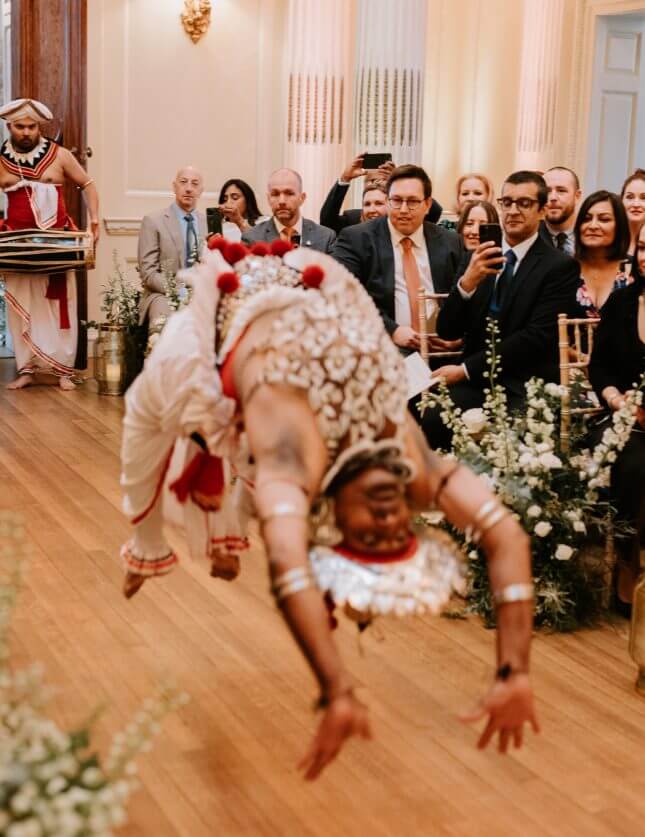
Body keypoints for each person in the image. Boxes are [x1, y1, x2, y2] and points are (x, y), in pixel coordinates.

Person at [120, 237, 538, 780]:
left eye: (373, 538)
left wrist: (335, 688)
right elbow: (506, 534)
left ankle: (149, 543)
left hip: (219, 337)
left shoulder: (291, 469)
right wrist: (515, 670)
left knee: (152, 418)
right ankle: (162, 539)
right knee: (186, 437)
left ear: (339, 526)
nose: (391, 523)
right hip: (301, 287)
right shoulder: (409, 461)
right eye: (400, 535)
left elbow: (289, 571)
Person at [423, 170, 580, 449]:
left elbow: (536, 338)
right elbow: (447, 330)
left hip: (525, 383)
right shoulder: (477, 257)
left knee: (521, 439)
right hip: (476, 383)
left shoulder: (559, 266)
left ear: (542, 210)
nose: (512, 211)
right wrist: (467, 283)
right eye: (506, 202)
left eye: (524, 203)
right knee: (428, 413)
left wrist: (464, 370)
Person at [0, 98, 100, 390]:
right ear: (9, 126)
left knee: (60, 306)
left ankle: (63, 371)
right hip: (17, 247)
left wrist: (94, 222)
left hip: (55, 243)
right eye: (20, 127)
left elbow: (87, 184)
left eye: (32, 126)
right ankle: (27, 368)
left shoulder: (60, 156)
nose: (27, 132)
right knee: (21, 307)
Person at [332, 164, 464, 352]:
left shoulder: (451, 242)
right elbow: (342, 295)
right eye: (396, 200)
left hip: (441, 350)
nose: (403, 209)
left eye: (412, 202)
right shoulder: (356, 239)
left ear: (427, 205)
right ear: (387, 201)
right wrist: (391, 330)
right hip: (383, 349)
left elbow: (464, 298)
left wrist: (457, 335)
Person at [588, 218, 645, 613]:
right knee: (635, 465)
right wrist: (613, 398)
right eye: (644, 248)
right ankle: (627, 565)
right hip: (623, 418)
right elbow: (599, 366)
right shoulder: (623, 302)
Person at [138, 167, 207, 331]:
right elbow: (148, 272)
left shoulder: (208, 223)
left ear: (201, 191)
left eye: (194, 184)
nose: (189, 188)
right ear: (174, 186)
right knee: (165, 326)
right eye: (183, 182)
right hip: (162, 294)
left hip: (201, 293)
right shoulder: (153, 221)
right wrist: (179, 291)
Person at [320, 153, 443, 232]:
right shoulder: (352, 219)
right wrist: (344, 179)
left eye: (384, 181)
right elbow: (327, 221)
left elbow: (434, 212)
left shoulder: (404, 217)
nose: (376, 184)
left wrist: (399, 179)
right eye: (371, 181)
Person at [243, 168, 335, 253]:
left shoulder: (325, 237)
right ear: (268, 199)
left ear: (302, 198)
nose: (281, 201)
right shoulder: (252, 238)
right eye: (275, 194)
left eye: (289, 193)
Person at [573, 190, 632, 319]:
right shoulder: (564, 269)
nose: (593, 226)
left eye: (604, 219)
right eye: (586, 219)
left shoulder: (635, 270)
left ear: (619, 226)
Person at [540, 166, 581, 256]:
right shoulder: (529, 237)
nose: (553, 197)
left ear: (577, 196)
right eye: (547, 191)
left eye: (561, 191)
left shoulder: (590, 236)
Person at [621, 168, 645, 255]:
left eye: (643, 198)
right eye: (630, 197)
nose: (636, 204)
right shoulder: (608, 242)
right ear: (621, 200)